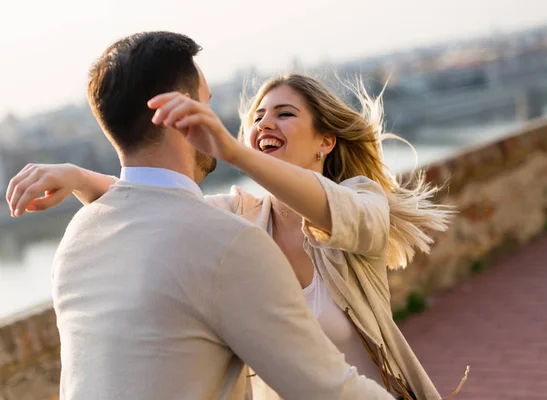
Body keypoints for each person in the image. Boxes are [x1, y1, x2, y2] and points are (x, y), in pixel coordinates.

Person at [6, 72, 468, 400]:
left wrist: (231, 150)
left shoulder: (361, 199)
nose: (265, 123)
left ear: (326, 141)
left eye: (284, 114)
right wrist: (79, 178)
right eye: (258, 117)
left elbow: (332, 209)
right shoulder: (240, 221)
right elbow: (160, 205)